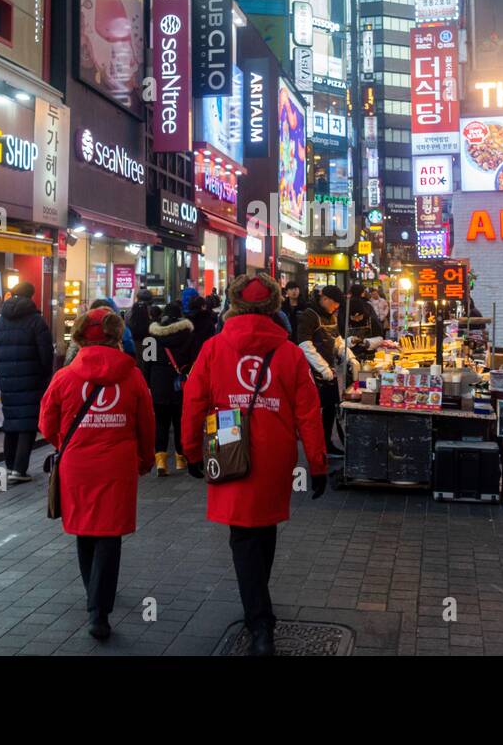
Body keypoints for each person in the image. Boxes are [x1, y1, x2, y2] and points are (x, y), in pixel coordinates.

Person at [181, 274, 327, 656]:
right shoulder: (290, 352)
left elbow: (193, 401)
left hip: (228, 445)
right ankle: (259, 608)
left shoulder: (214, 348)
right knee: (263, 527)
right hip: (276, 451)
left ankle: (260, 621)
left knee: (242, 534)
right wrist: (318, 463)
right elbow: (309, 413)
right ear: (273, 305)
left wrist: (190, 451)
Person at [40, 308, 155, 640]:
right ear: (115, 335)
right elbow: (146, 424)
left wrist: (67, 442)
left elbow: (46, 423)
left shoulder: (64, 377)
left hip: (77, 466)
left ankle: (94, 595)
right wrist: (146, 460)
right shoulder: (132, 376)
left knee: (85, 530)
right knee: (109, 534)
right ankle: (99, 609)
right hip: (117, 466)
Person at [0, 282, 54, 483]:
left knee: (10, 422)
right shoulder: (36, 321)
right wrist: (44, 375)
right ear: (31, 296)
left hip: (7, 379)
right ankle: (19, 469)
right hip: (32, 378)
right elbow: (46, 354)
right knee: (27, 424)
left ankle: (9, 468)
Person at [296, 285, 358, 455]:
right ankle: (316, 448)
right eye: (334, 304)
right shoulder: (309, 315)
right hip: (311, 371)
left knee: (331, 407)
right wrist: (322, 367)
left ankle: (327, 443)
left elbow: (337, 341)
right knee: (315, 411)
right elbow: (304, 345)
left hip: (328, 371)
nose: (336, 307)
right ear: (324, 299)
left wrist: (349, 357)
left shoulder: (331, 317)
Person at [147, 303, 194, 476]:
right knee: (180, 421)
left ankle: (160, 461)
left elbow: (147, 364)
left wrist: (148, 384)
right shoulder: (187, 335)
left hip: (158, 384)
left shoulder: (151, 337)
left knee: (161, 423)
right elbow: (192, 360)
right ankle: (181, 459)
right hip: (180, 385)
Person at [127, 288, 155, 373]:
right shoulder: (154, 311)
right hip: (150, 342)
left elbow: (127, 324)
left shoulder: (130, 312)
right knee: (149, 366)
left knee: (137, 366)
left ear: (137, 298)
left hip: (135, 342)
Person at [187, 295, 218, 363]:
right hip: (206, 356)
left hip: (190, 358)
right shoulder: (208, 321)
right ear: (203, 306)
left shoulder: (186, 322)